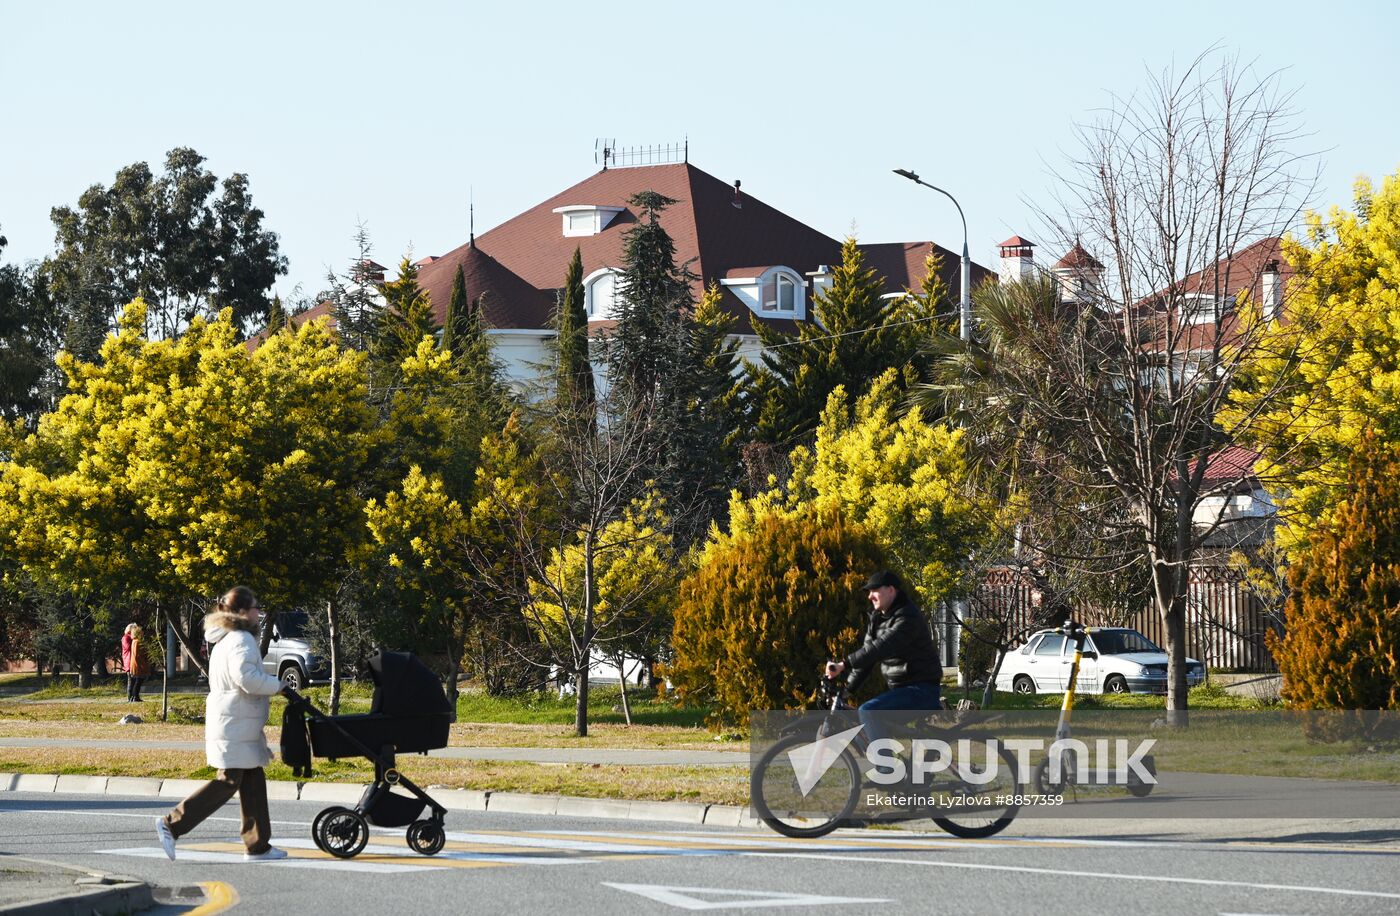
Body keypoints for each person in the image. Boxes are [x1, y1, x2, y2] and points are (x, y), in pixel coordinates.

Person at [156, 586, 290, 862]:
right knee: (229, 780)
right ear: (241, 612)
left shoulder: (228, 638)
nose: (259, 612)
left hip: (237, 720)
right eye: (255, 607)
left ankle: (258, 845)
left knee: (252, 778)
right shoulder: (241, 638)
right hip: (235, 721)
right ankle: (172, 823)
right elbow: (247, 678)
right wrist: (278, 686)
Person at [824, 570, 942, 747]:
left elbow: (883, 646)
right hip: (902, 691)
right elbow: (868, 656)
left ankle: (886, 770)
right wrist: (847, 690)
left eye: (874, 590)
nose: (870, 596)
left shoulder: (907, 616)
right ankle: (899, 770)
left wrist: (844, 664)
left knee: (868, 712)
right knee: (864, 728)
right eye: (869, 592)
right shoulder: (878, 619)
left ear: (891, 590)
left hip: (922, 690)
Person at [122, 623, 152, 702]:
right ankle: (131, 697)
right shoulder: (128, 639)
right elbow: (131, 650)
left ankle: (133, 697)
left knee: (135, 680)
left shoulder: (134, 640)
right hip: (131, 662)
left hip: (133, 662)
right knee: (133, 681)